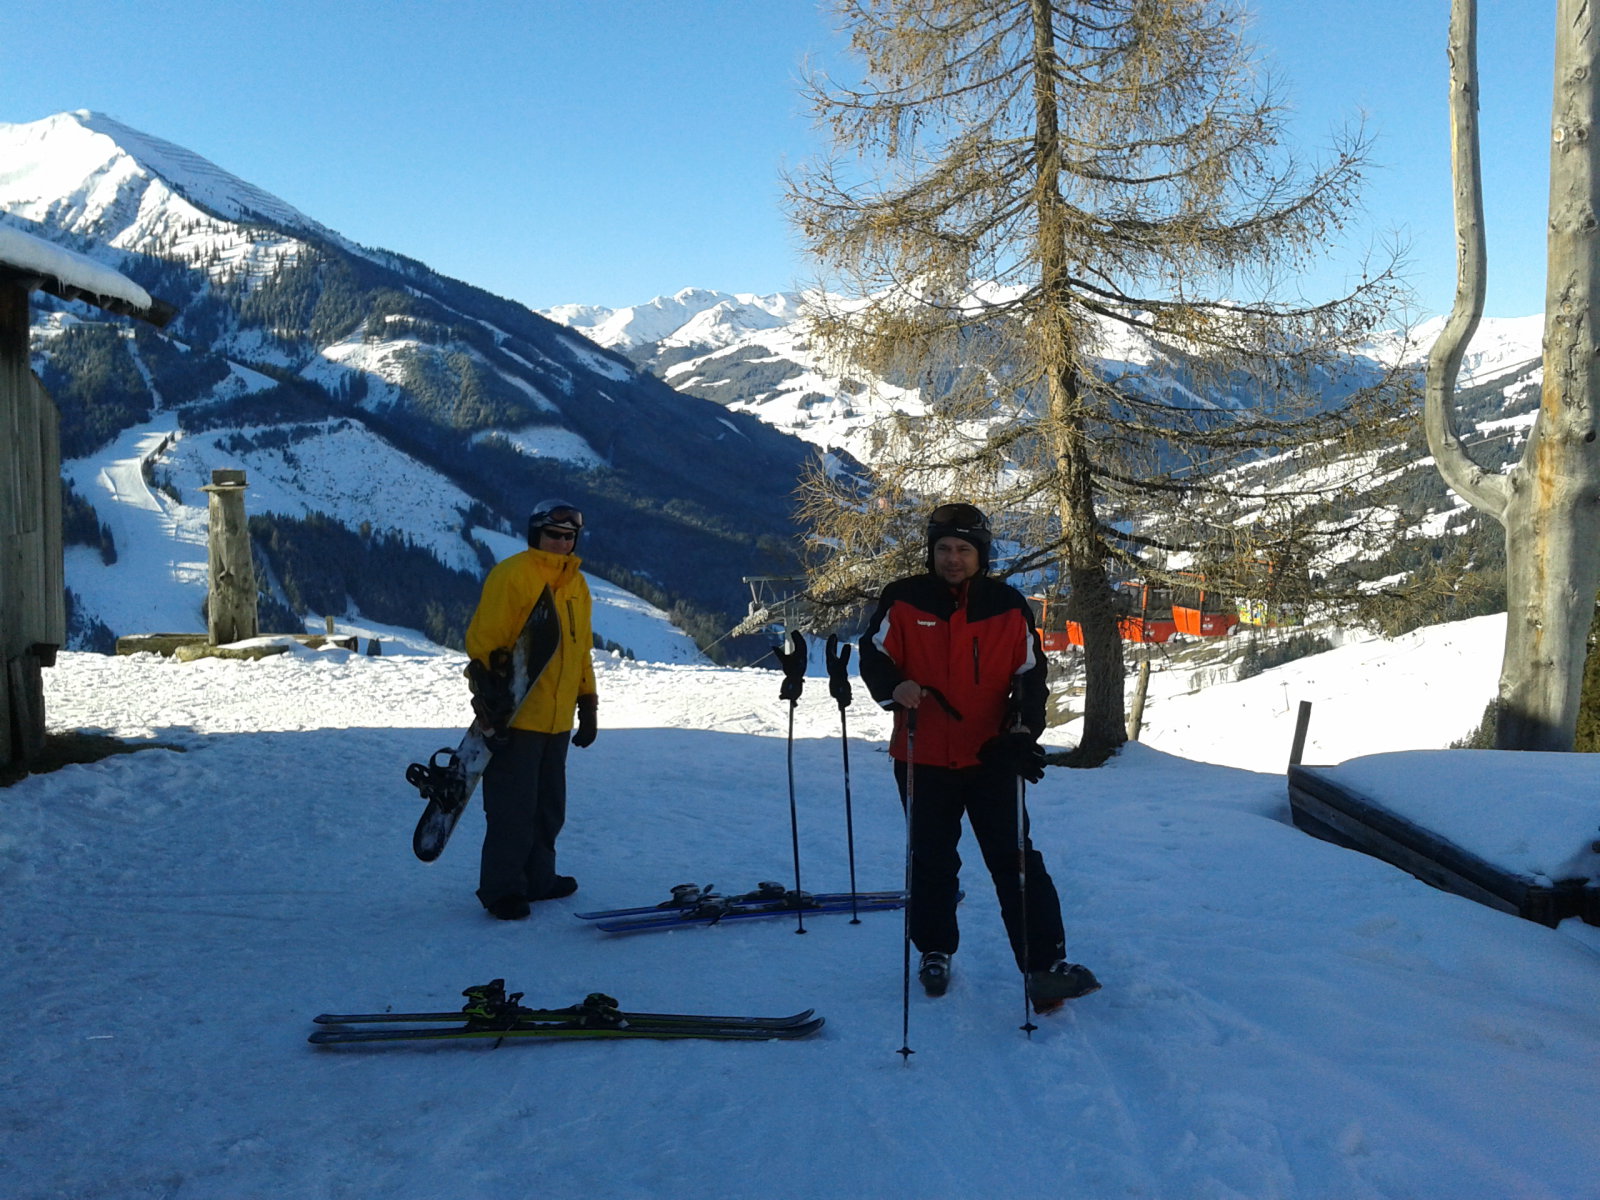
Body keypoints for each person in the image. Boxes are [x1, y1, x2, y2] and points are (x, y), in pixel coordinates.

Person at [858, 501, 1100, 1010]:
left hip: (992, 758)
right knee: (931, 860)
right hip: (921, 753)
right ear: (931, 551)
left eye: (963, 549)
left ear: (980, 554)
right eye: (943, 549)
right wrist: (893, 686)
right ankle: (935, 949)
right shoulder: (903, 599)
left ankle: (1044, 967)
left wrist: (1023, 732)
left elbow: (1030, 676)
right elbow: (873, 653)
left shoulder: (1007, 605)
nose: (952, 558)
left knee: (1016, 861)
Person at [465, 499, 599, 920]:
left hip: (557, 721)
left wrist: (587, 701)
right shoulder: (513, 576)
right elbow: (485, 641)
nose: (561, 543)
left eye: (568, 537)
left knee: (548, 807)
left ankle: (539, 878)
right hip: (519, 717)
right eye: (553, 535)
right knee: (512, 808)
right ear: (535, 535)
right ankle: (502, 888)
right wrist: (489, 700)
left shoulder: (577, 585)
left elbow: (581, 651)